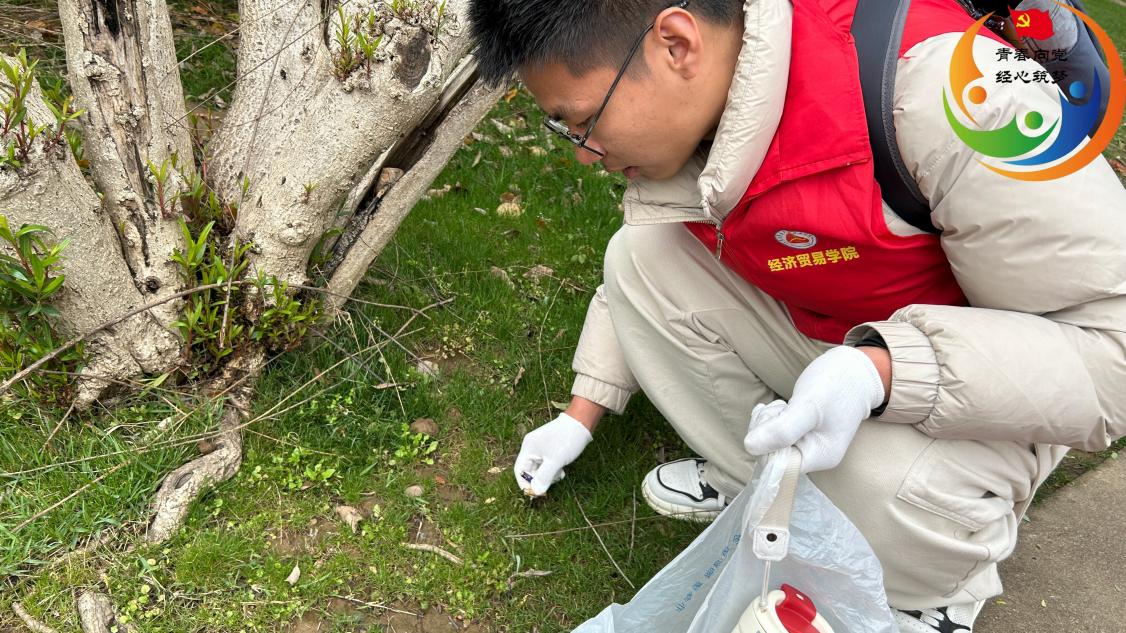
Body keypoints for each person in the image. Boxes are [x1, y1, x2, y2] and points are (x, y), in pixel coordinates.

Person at [467, 0, 1126, 630]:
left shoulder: (955, 97)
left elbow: (1112, 355)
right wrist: (579, 414)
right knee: (641, 255)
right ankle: (763, 487)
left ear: (676, 44)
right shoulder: (705, 107)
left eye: (583, 122)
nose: (584, 153)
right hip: (839, 329)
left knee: (882, 485)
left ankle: (933, 588)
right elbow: (646, 272)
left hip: (991, 390)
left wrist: (880, 374)